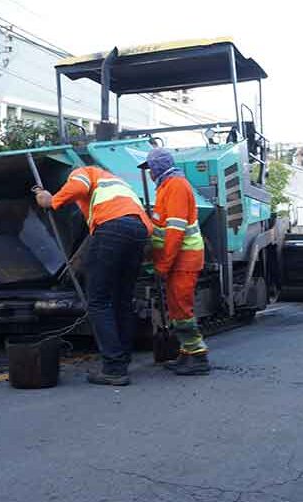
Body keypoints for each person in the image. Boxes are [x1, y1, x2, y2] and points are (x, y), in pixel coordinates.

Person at [34, 165, 152, 386]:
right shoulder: (117, 181)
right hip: (139, 230)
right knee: (121, 300)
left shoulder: (84, 172)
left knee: (98, 300)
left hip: (112, 226)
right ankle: (122, 361)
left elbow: (78, 186)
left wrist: (51, 200)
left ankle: (114, 368)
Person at [140, 148, 210, 376]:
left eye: (150, 168)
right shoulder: (167, 186)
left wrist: (162, 265)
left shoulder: (176, 186)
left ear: (158, 168)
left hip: (184, 259)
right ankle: (186, 353)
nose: (149, 174)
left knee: (182, 308)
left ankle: (198, 357)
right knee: (177, 308)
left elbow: (175, 232)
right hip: (178, 260)